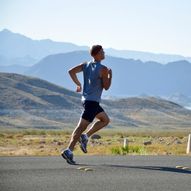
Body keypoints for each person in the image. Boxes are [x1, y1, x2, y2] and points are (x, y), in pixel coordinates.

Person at [61, 45, 112, 165]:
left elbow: (71, 71)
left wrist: (78, 84)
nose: (104, 53)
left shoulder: (86, 65)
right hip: (92, 102)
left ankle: (85, 137)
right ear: (97, 54)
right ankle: (69, 150)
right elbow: (106, 87)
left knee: (105, 120)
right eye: (102, 51)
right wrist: (110, 75)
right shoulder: (103, 69)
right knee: (80, 127)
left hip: (86, 100)